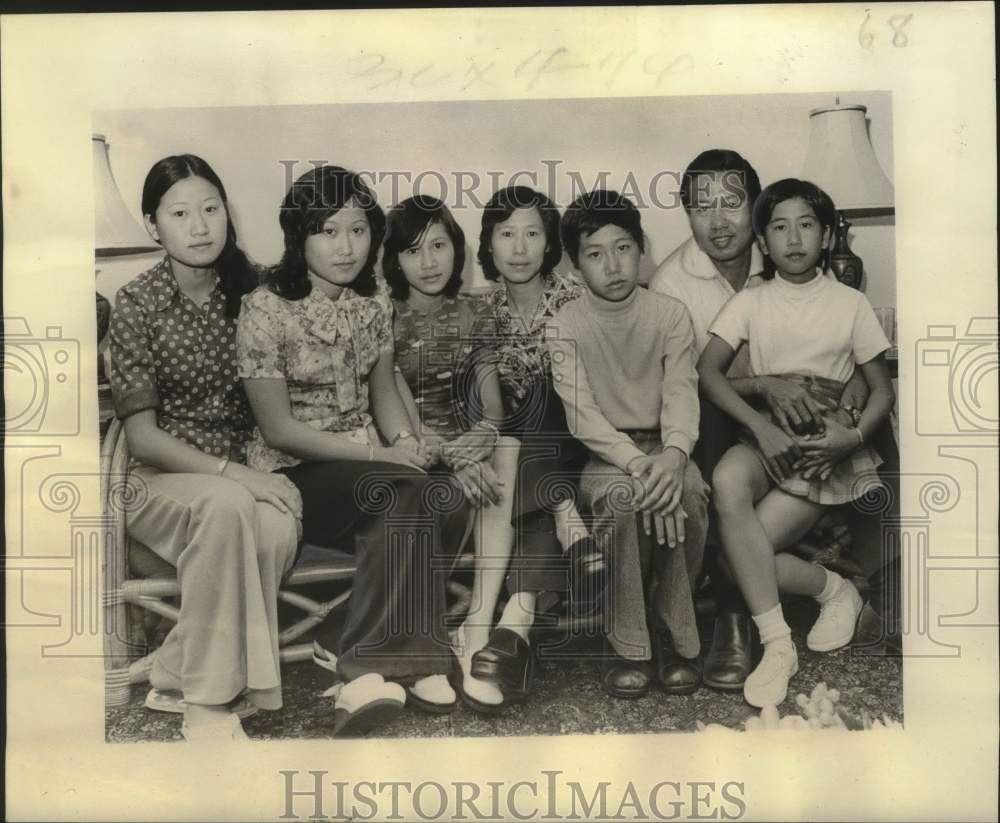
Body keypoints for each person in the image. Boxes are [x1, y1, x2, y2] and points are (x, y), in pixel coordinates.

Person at [237, 166, 470, 733]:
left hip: (368, 464)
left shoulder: (373, 299)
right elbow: (278, 430)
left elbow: (384, 388)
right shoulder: (265, 307)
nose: (346, 247)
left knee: (447, 497)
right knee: (397, 492)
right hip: (297, 471)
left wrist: (405, 442)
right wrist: (379, 458)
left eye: (358, 231)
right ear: (300, 237)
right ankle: (369, 665)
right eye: (328, 231)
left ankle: (347, 637)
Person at [109, 154, 302, 742]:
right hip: (158, 484)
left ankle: (172, 673)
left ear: (227, 214)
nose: (200, 227)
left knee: (273, 528)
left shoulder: (257, 291)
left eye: (211, 209)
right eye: (180, 213)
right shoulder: (134, 303)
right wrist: (236, 476)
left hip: (244, 481)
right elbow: (142, 436)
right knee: (229, 505)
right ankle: (209, 707)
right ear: (152, 226)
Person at [697, 178, 895, 708]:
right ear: (763, 241)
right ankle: (780, 642)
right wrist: (759, 422)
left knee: (743, 549)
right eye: (779, 227)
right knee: (726, 478)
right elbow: (708, 374)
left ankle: (831, 591)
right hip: (768, 433)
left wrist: (849, 438)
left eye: (806, 225)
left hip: (820, 447)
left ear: (827, 235)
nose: (793, 238)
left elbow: (880, 388)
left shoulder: (850, 303)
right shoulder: (752, 301)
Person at [548, 189, 709, 699]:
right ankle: (629, 645)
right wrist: (641, 468)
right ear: (575, 268)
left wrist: (674, 457)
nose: (612, 265)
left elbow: (682, 393)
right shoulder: (565, 324)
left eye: (622, 248)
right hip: (608, 456)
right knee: (622, 503)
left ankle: (673, 633)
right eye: (594, 254)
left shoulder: (670, 314)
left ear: (641, 249)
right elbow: (584, 417)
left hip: (667, 447)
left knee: (687, 498)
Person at [383, 194, 520, 713]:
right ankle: (422, 641)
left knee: (507, 448)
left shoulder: (473, 311)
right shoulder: (384, 317)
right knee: (448, 481)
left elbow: (492, 403)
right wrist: (450, 458)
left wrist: (484, 434)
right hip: (414, 452)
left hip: (471, 451)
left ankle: (478, 620)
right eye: (414, 250)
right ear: (394, 260)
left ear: (457, 250)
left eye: (439, 245)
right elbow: (388, 408)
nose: (429, 261)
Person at [470, 186, 594, 698]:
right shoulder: (481, 312)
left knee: (547, 392)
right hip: (525, 459)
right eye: (506, 234)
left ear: (549, 245)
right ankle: (515, 624)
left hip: (582, 435)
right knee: (518, 432)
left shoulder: (578, 300)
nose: (519, 249)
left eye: (532, 234)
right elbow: (484, 407)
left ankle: (507, 621)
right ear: (490, 244)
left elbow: (594, 396)